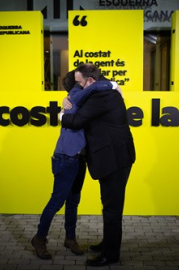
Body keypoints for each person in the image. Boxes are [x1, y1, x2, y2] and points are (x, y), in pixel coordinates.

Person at [31, 70, 117, 260]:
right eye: (79, 82)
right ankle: (39, 238)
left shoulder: (81, 99)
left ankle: (70, 239)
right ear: (76, 85)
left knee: (73, 201)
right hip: (66, 157)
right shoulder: (75, 96)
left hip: (79, 158)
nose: (85, 84)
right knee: (57, 200)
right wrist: (114, 85)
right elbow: (101, 85)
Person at [60, 63, 136, 267]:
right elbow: (79, 99)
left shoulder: (101, 96)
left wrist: (61, 115)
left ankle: (111, 255)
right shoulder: (101, 90)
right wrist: (67, 98)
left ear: (91, 81)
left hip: (114, 158)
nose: (77, 87)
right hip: (113, 156)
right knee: (109, 206)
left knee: (112, 209)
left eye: (79, 83)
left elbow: (76, 121)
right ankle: (108, 243)